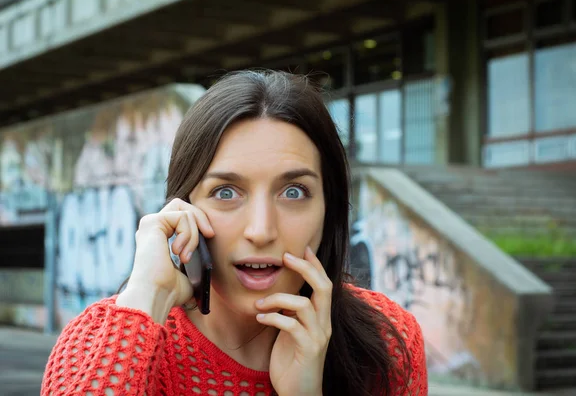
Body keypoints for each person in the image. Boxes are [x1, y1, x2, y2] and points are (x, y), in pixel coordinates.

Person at [41, 70, 427, 396]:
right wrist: (146, 298)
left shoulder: (387, 342)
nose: (261, 231)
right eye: (226, 192)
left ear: (330, 207)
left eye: (293, 192)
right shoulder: (101, 341)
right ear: (182, 208)